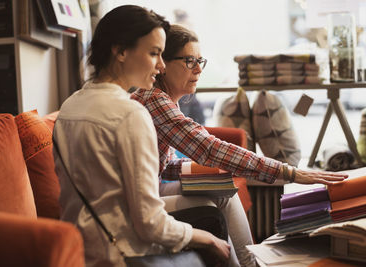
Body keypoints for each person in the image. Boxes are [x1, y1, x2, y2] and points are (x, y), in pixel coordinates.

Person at [131, 24, 348, 267]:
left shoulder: (158, 99)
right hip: (141, 199)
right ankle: (248, 264)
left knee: (222, 186)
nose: (198, 69)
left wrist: (201, 171)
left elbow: (163, 163)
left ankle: (249, 262)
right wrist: (290, 173)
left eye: (200, 60)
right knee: (223, 195)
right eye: (189, 61)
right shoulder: (155, 100)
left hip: (151, 187)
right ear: (163, 64)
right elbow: (209, 149)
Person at [52, 5, 232, 267]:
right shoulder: (130, 114)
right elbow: (150, 224)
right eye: (153, 53)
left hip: (80, 249)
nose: (160, 66)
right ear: (121, 51)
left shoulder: (69, 106)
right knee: (211, 227)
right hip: (124, 255)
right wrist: (205, 238)